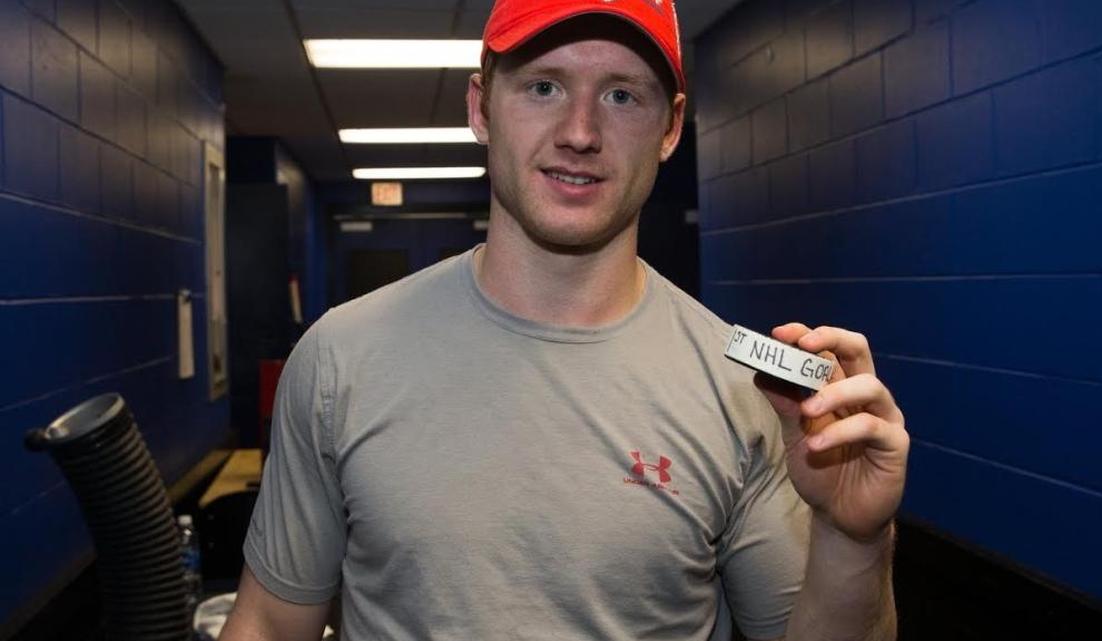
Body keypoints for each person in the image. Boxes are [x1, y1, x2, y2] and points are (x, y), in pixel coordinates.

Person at [219, 0, 910, 639]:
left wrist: (853, 539)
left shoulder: (746, 388)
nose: (580, 133)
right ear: (482, 105)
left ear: (670, 126)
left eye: (621, 95)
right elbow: (271, 623)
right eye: (543, 86)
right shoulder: (341, 356)